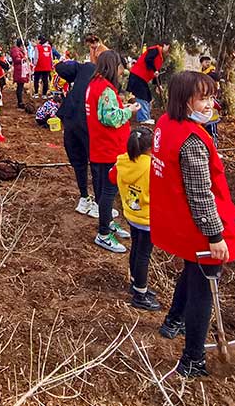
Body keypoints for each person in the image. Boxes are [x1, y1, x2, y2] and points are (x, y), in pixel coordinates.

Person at [152, 71, 235, 378]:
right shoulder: (191, 141)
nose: (210, 103)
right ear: (184, 100)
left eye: (211, 96)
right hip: (196, 227)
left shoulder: (166, 124)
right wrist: (215, 236)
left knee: (191, 270)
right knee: (204, 288)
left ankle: (173, 320)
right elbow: (200, 195)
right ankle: (192, 359)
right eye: (203, 98)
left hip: (176, 220)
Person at [85, 50, 140, 253]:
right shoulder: (106, 89)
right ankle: (103, 234)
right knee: (108, 193)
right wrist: (129, 111)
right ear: (113, 67)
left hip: (99, 147)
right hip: (109, 149)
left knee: (102, 191)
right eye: (120, 68)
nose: (121, 72)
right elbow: (110, 118)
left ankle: (107, 223)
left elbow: (103, 111)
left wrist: (121, 106)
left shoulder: (94, 85)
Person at [109, 126, 159, 311]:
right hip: (147, 218)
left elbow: (112, 177)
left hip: (130, 213)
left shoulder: (123, 161)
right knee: (144, 255)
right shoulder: (151, 166)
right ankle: (140, 293)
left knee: (136, 249)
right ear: (151, 147)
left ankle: (135, 282)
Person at [55, 57, 98, 217]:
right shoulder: (107, 77)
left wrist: (64, 62)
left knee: (79, 162)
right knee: (96, 163)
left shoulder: (84, 68)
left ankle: (84, 198)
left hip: (70, 120)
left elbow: (61, 69)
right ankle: (98, 203)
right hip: (87, 123)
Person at [127, 41, 170, 124]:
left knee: (147, 97)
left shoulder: (159, 56)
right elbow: (148, 60)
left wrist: (158, 85)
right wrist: (154, 70)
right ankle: (143, 119)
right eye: (168, 47)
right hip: (137, 75)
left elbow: (156, 73)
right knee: (142, 96)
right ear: (164, 45)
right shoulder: (155, 50)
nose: (168, 49)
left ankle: (146, 116)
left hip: (141, 78)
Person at [200, 56, 221, 146]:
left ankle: (214, 146)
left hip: (212, 95)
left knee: (212, 127)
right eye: (206, 62)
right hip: (203, 95)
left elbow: (217, 77)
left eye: (209, 62)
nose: (208, 63)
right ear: (201, 63)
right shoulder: (200, 72)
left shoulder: (212, 71)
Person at [11, 39, 29, 108]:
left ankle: (20, 101)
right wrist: (24, 59)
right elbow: (16, 59)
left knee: (21, 86)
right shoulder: (16, 50)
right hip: (19, 71)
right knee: (20, 86)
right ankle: (20, 102)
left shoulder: (21, 51)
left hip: (22, 70)